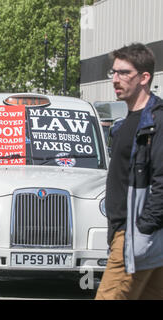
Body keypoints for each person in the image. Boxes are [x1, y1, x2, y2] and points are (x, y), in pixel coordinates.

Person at [95, 43, 163, 300]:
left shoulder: (156, 122)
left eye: (124, 73)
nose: (115, 79)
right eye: (113, 72)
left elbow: (161, 182)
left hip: (135, 234)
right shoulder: (125, 124)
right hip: (130, 234)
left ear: (144, 77)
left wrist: (143, 230)